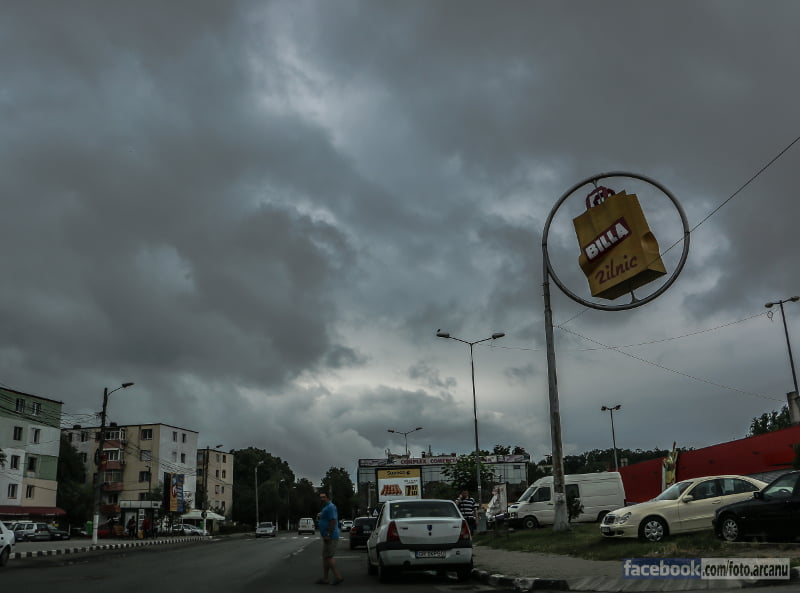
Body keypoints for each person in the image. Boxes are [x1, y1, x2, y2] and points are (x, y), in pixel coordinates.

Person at [315, 492, 344, 585]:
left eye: (323, 497)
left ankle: (338, 577)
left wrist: (328, 534)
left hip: (331, 536)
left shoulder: (331, 507)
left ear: (327, 497)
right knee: (325, 557)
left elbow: (333, 520)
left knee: (329, 557)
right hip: (327, 536)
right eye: (320, 497)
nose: (322, 499)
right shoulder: (326, 507)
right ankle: (325, 578)